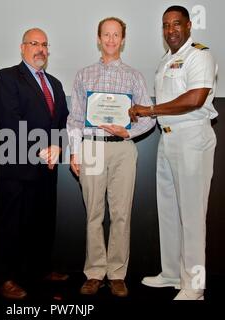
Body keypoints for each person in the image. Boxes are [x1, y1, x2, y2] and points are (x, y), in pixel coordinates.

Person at [130, 6, 217, 300]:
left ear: (189, 26)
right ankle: (171, 274)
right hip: (167, 139)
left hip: (192, 138)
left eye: (176, 24)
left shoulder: (199, 55)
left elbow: (195, 98)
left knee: (192, 216)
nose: (171, 30)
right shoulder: (166, 61)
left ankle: (195, 285)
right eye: (166, 26)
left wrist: (151, 109)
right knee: (168, 211)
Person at [67, 17, 155, 298]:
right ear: (98, 38)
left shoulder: (134, 76)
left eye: (116, 35)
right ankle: (94, 273)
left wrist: (127, 133)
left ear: (123, 39)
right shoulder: (84, 75)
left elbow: (149, 118)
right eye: (106, 34)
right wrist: (74, 150)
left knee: (120, 214)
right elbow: (75, 119)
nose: (111, 40)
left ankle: (117, 274)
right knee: (93, 214)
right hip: (91, 146)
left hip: (122, 148)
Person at [0, 28, 69, 300]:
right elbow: (8, 120)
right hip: (17, 164)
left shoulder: (55, 84)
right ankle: (6, 278)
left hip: (47, 166)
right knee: (12, 223)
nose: (40, 49)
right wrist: (41, 149)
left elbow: (62, 122)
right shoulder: (7, 77)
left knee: (43, 222)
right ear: (22, 47)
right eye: (34, 43)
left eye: (45, 44)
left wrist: (57, 146)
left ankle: (40, 270)